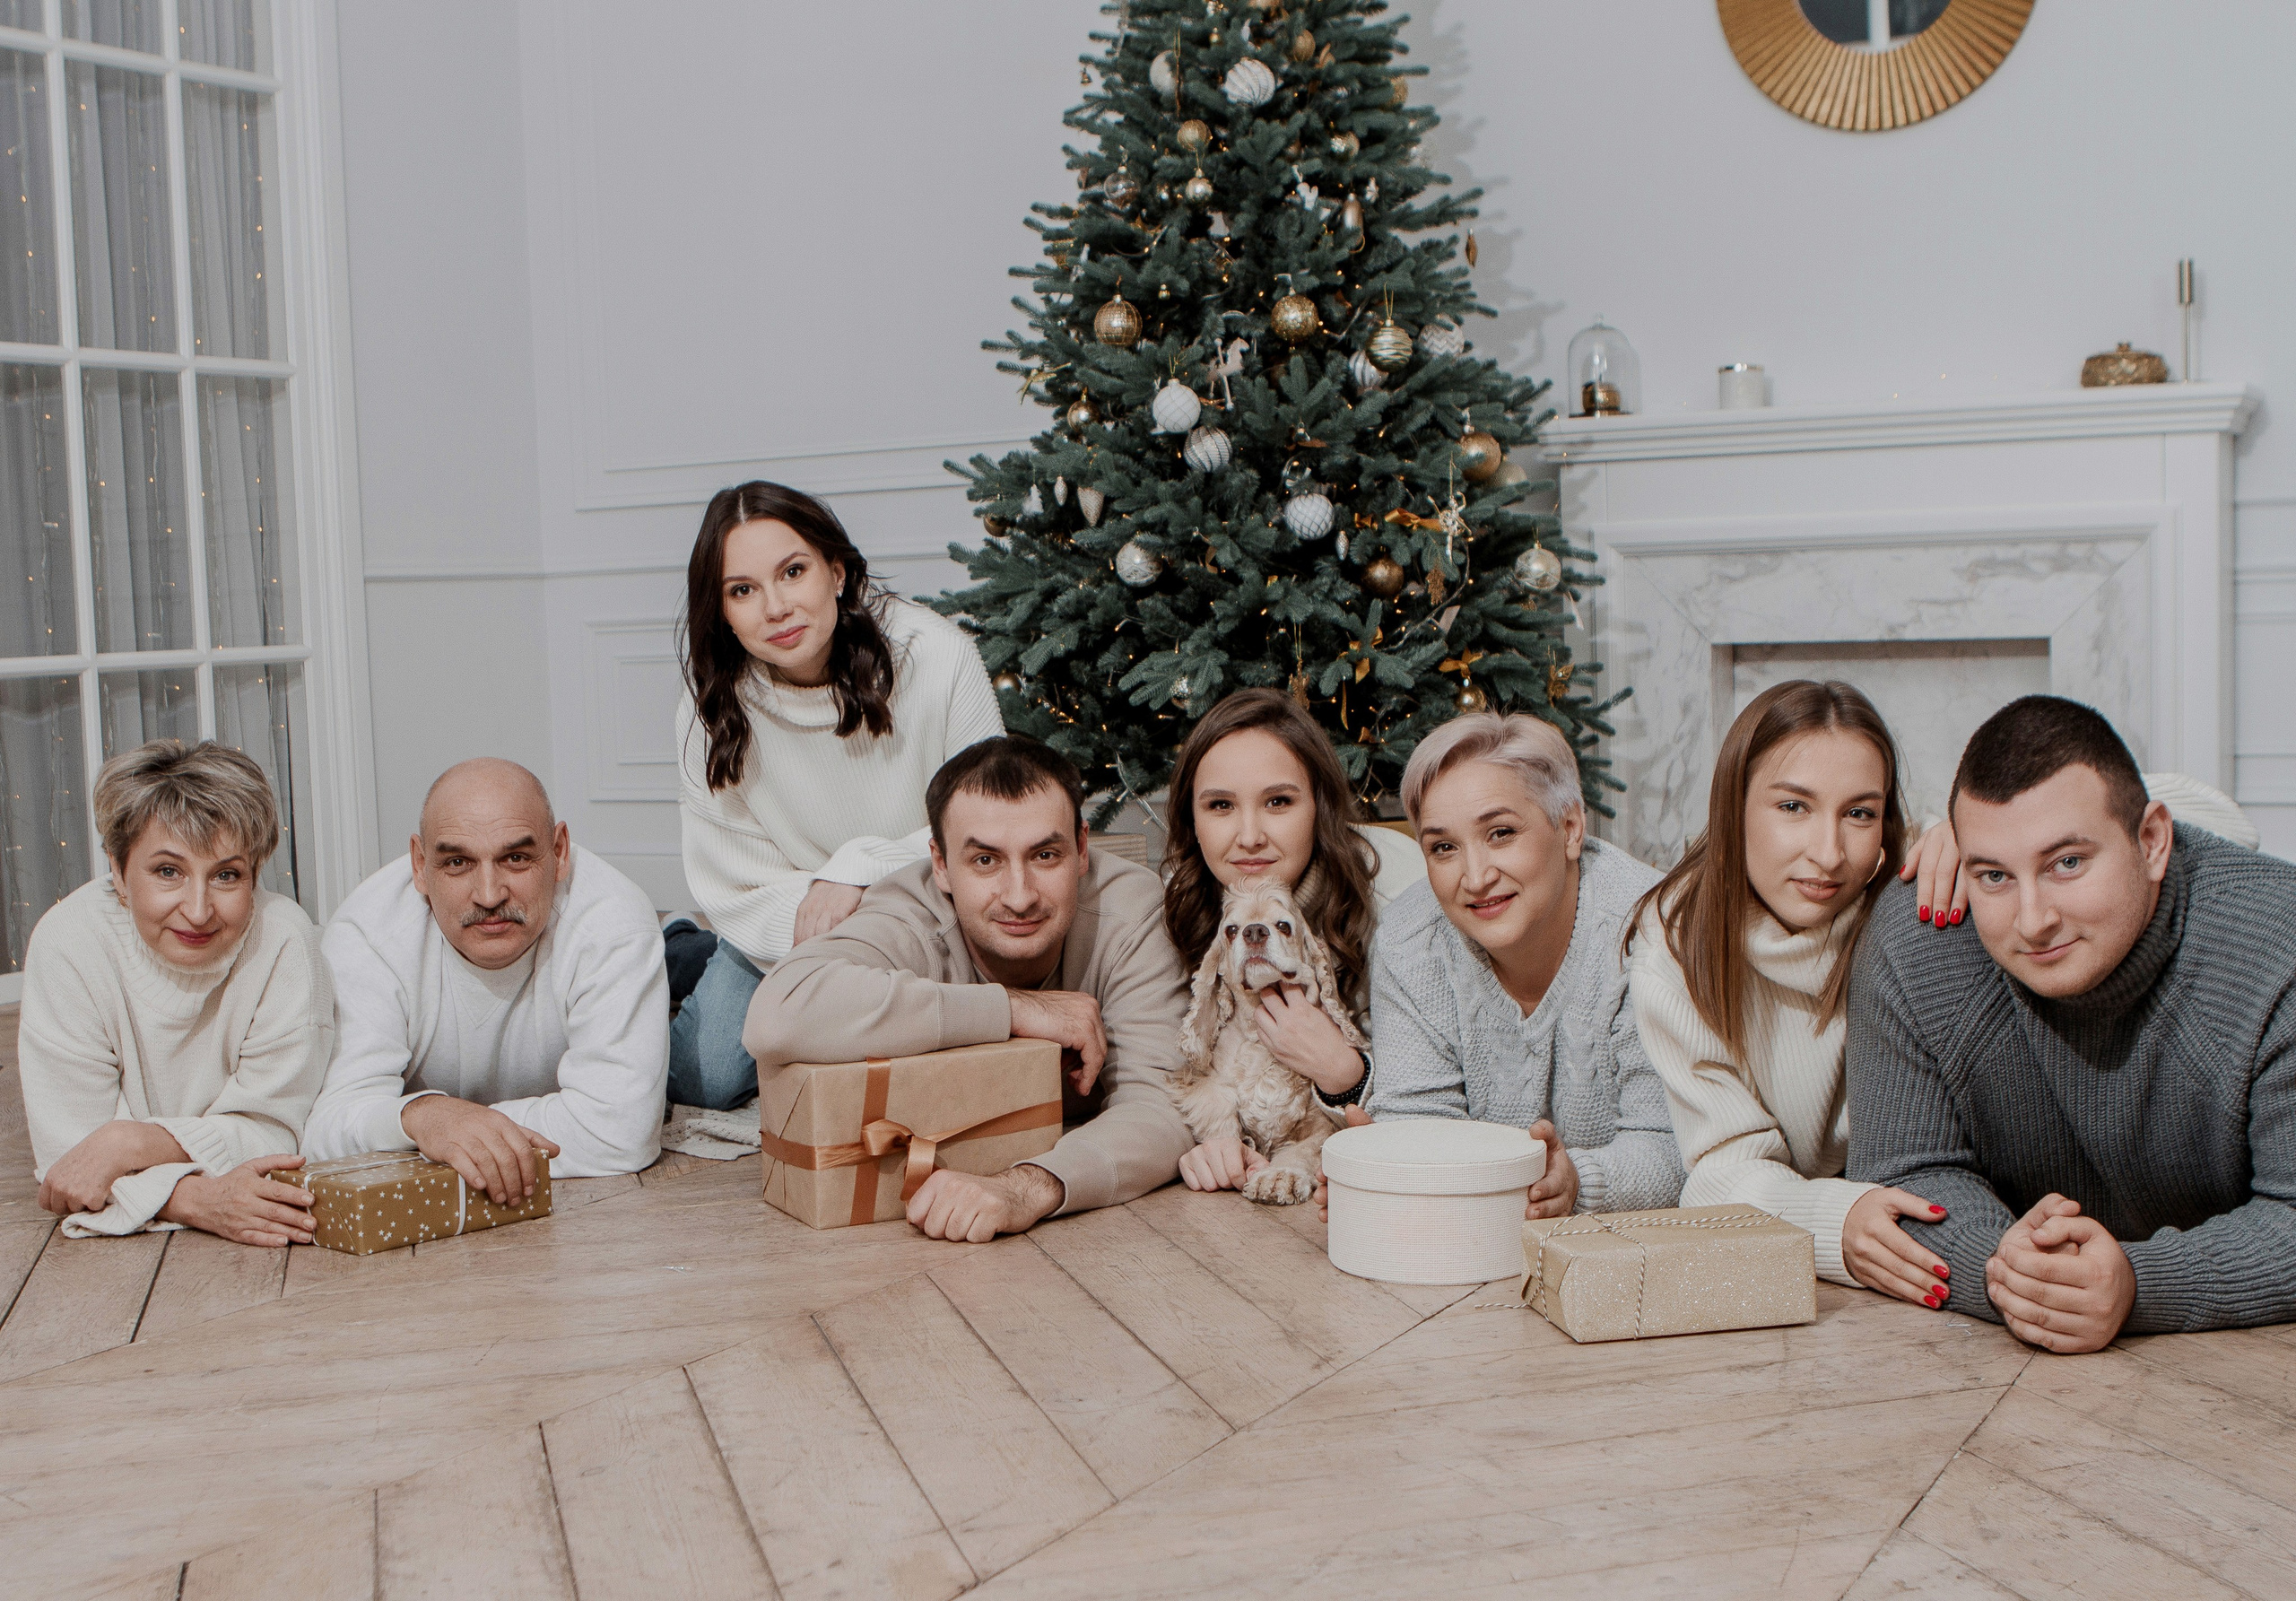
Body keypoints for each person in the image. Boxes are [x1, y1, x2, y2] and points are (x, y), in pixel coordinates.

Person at [1849, 695, 2296, 1352]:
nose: (2033, 919)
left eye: (2066, 863)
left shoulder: (2277, 944)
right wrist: (2018, 1275)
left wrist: (2140, 1284)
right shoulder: (1916, 940)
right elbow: (1906, 1180)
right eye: (1995, 874)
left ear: (2151, 841)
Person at [744, 735, 1196, 1240]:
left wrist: (1024, 1187)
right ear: (940, 864)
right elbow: (777, 1014)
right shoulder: (910, 907)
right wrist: (1011, 1009)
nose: (1021, 896)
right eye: (985, 861)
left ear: (1083, 848)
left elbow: (1163, 1110)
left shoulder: (1132, 911)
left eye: (1046, 855)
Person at [665, 480, 1002, 1109]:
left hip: (925, 909)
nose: (775, 607)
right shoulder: (708, 707)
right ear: (723, 609)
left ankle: (694, 958)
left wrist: (858, 871)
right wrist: (818, 915)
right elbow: (731, 874)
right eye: (743, 590)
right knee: (707, 1074)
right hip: (791, 925)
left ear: (837, 571)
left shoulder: (938, 657)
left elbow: (990, 823)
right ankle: (680, 955)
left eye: (793, 571)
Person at [1627, 681, 1956, 1305]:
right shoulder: (1677, 945)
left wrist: (1980, 835)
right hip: (1840, 1247)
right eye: (1793, 807)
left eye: (1859, 813)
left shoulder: (1910, 899)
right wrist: (1835, 1220)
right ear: (1734, 808)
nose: (1829, 855)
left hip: (1921, 1209)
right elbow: (1718, 1173)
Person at [1361, 712, 1685, 1216]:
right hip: (1469, 1245)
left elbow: (1675, 1146)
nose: (1475, 877)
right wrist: (1383, 1169)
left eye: (1501, 833)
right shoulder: (1409, 940)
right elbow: (1416, 1123)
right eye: (1443, 848)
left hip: (1633, 1256)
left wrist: (1578, 1181)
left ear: (1571, 829)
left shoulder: (1654, 931)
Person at [303, 759, 668, 1196]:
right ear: (419, 865)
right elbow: (325, 1133)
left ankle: (680, 947)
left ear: (560, 852)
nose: (490, 894)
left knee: (701, 1074)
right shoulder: (366, 936)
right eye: (457, 862)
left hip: (622, 955)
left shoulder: (616, 922)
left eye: (515, 858)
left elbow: (622, 1132)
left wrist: (447, 1130)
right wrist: (425, 1116)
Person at [18, 740, 333, 1244]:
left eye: (227, 875)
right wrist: (193, 1200)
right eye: (168, 871)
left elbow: (278, 1132)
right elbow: (71, 1165)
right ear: (119, 873)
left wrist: (129, 1143)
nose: (199, 909)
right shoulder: (69, 942)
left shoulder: (286, 943)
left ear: (255, 874)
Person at [1160, 688, 1422, 1193]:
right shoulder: (1188, 900)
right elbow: (1174, 1067)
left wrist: (1346, 1072)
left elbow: (1438, 1096)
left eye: (1278, 801)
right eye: (1220, 806)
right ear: (1192, 819)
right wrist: (1213, 1140)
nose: (1250, 835)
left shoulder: (1396, 895)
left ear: (1319, 805)